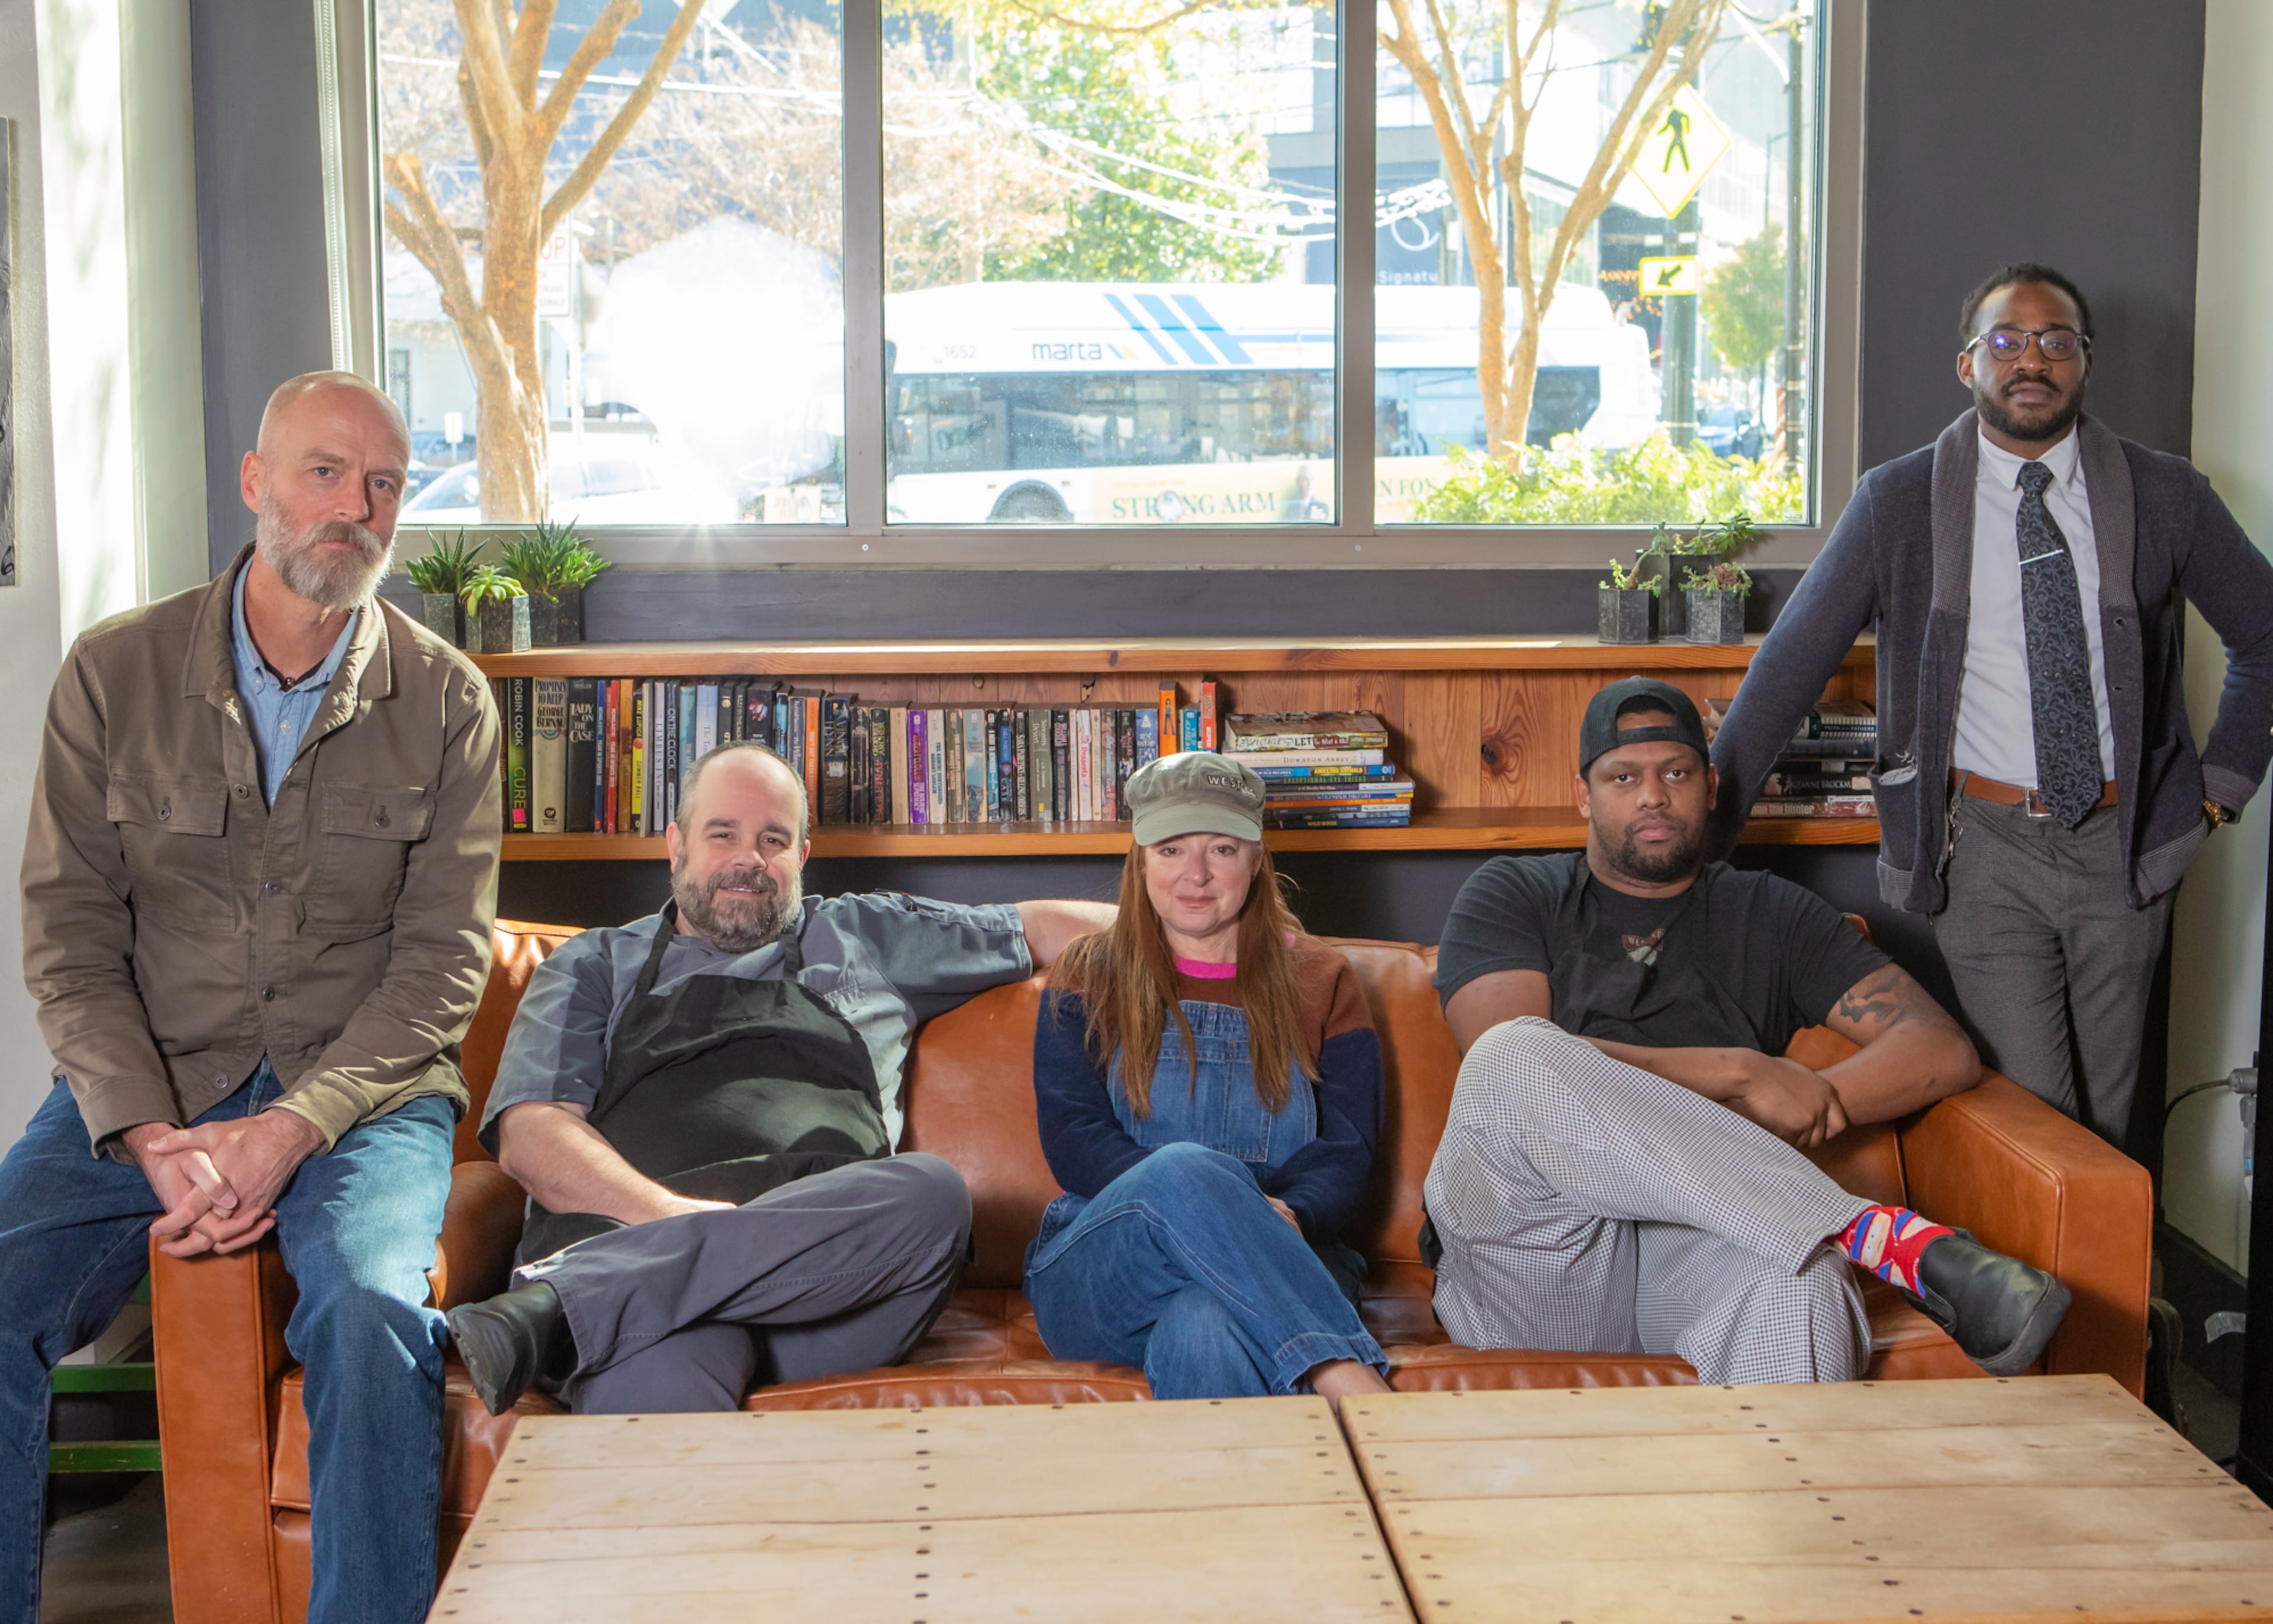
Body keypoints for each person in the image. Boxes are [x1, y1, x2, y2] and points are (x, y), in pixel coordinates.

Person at [1, 372, 503, 1624]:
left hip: (365, 1099)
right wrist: (148, 1134)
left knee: (375, 1314)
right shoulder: (115, 673)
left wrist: (292, 1129)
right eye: (326, 473)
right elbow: (69, 932)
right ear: (256, 482)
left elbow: (442, 966)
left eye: (383, 486)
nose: (355, 509)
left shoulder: (449, 704)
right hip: (153, 1086)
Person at [1709, 263, 2273, 1148]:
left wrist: (2217, 796)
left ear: (2085, 363)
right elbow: (1792, 663)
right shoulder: (1898, 501)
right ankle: (2048, 1285)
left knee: (2112, 1112)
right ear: (1967, 365)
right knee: (2035, 1116)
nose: (2031, 361)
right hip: (1982, 849)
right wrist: (1711, 825)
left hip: (2125, 846)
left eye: (2057, 342)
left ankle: (2114, 1284)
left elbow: (2266, 634)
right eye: (2006, 341)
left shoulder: (2165, 495)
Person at [1425, 678, 2070, 1385]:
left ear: (1709, 786)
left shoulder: (1771, 912)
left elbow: (1940, 1048)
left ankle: (1787, 1494)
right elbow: (1510, 1064)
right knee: (1511, 1053)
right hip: (1542, 1251)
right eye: (1623, 776)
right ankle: (1871, 1232)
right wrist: (1741, 1072)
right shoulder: (1513, 893)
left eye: (1675, 772)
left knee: (1805, 1280)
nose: (1652, 796)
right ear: (1585, 794)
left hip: (1697, 1245)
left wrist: (1812, 1095)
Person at [445, 742, 1115, 1415]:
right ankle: (615, 1296)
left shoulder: (868, 935)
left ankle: (564, 1306)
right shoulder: (592, 964)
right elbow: (532, 1133)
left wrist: (1207, 926)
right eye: (723, 834)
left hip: (825, 1298)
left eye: (773, 838)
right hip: (638, 1282)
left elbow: (1043, 927)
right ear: (675, 845)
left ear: (802, 854)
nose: (750, 859)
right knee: (667, 1372)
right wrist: (671, 1226)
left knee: (933, 1193)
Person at [1023, 753, 1392, 1406]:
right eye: (1171, 849)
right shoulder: (1087, 974)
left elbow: (1347, 1151)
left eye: (1222, 847)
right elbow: (1073, 1138)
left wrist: (1296, 1212)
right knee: (1182, 1168)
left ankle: (1237, 1511)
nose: (1195, 874)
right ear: (1140, 861)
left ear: (1256, 858)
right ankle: (1352, 1380)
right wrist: (1212, 1199)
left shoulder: (1323, 979)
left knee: (1206, 1323)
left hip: (1287, 1250)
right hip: (1108, 1263)